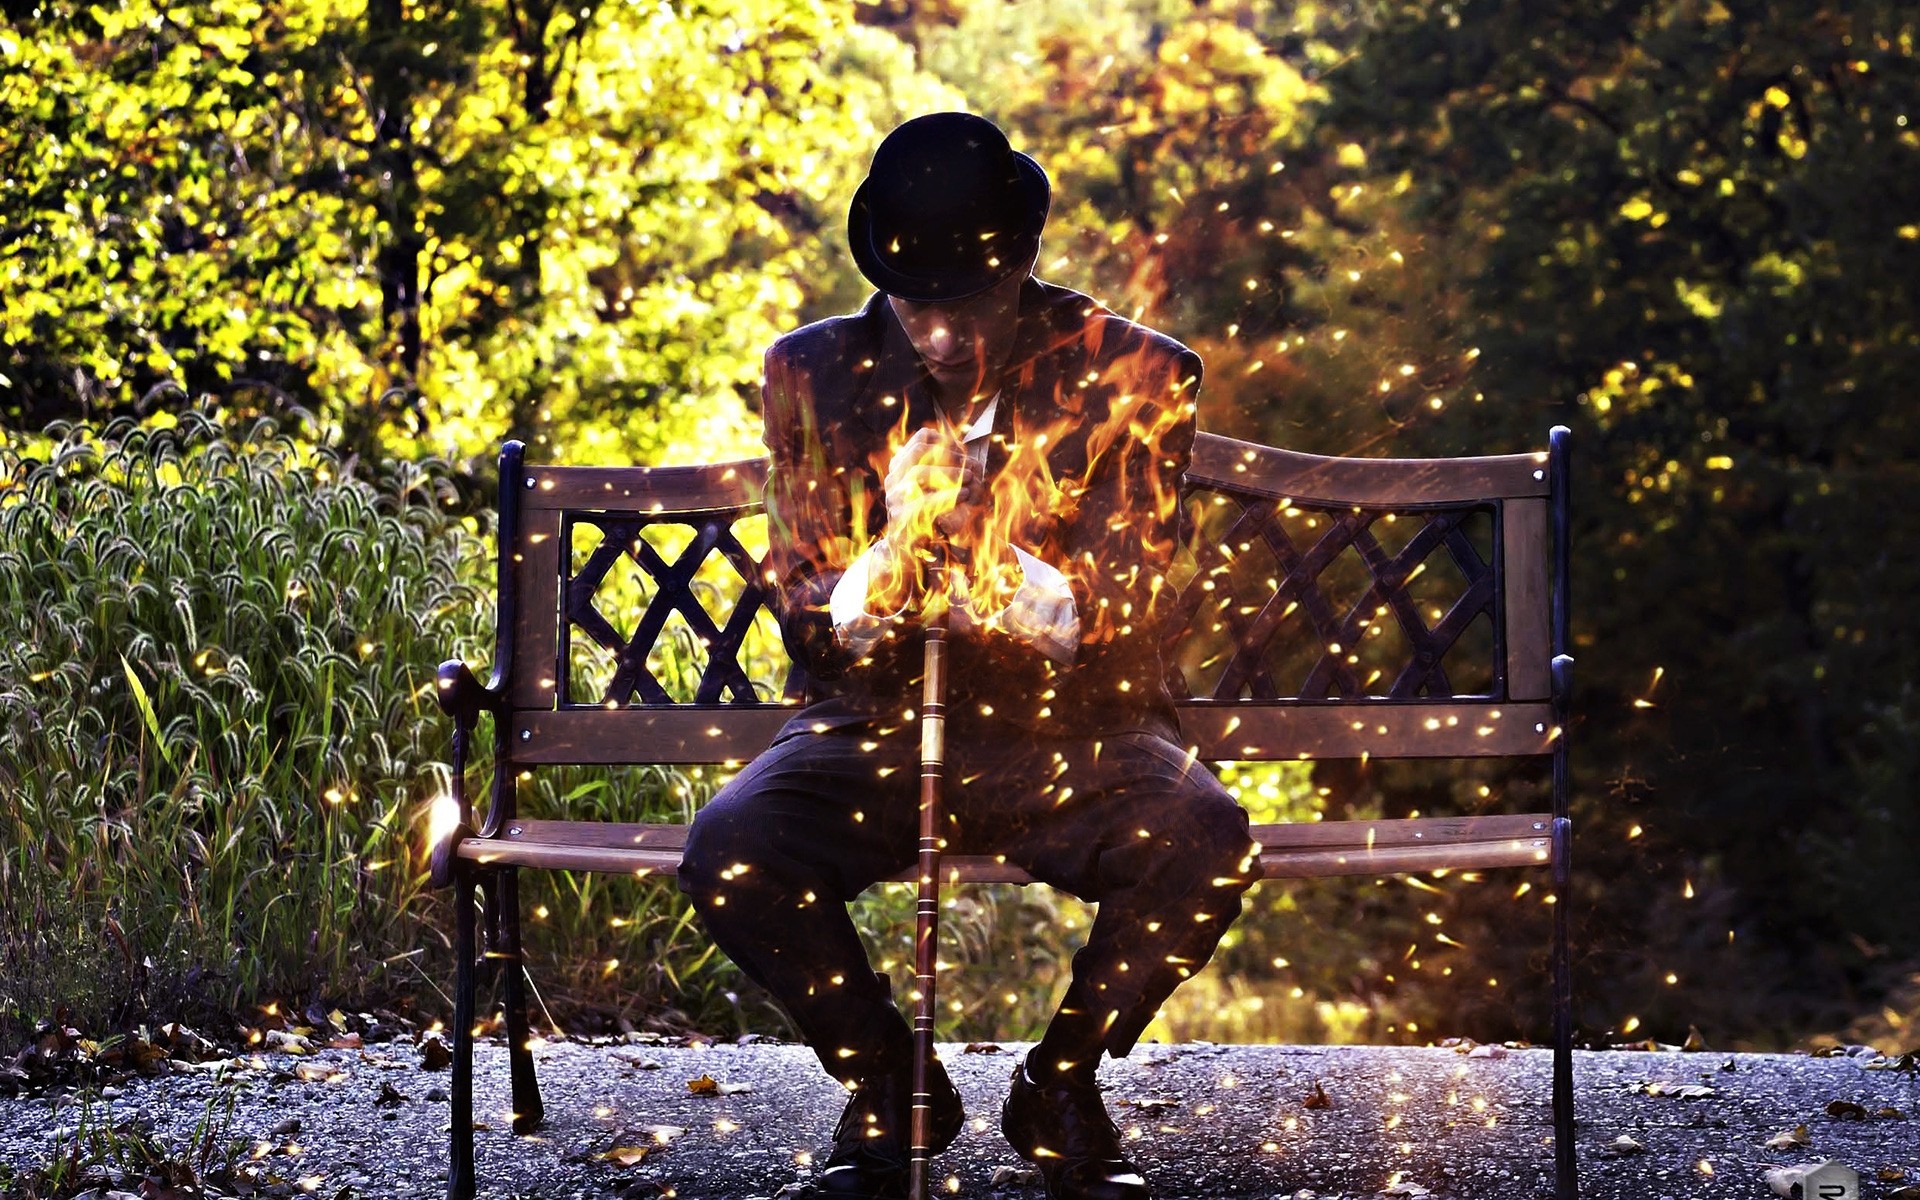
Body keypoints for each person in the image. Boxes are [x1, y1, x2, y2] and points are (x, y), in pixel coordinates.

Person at [679, 112, 1257, 1200]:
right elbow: (803, 600)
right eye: (917, 305)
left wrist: (1019, 584)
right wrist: (889, 563)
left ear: (1027, 265)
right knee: (732, 848)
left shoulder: (1135, 371)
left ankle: (1064, 1083)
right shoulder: (813, 372)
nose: (940, 335)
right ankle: (893, 1087)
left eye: (970, 303)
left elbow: (1138, 605)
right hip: (875, 727)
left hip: (1076, 728)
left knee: (1205, 837)